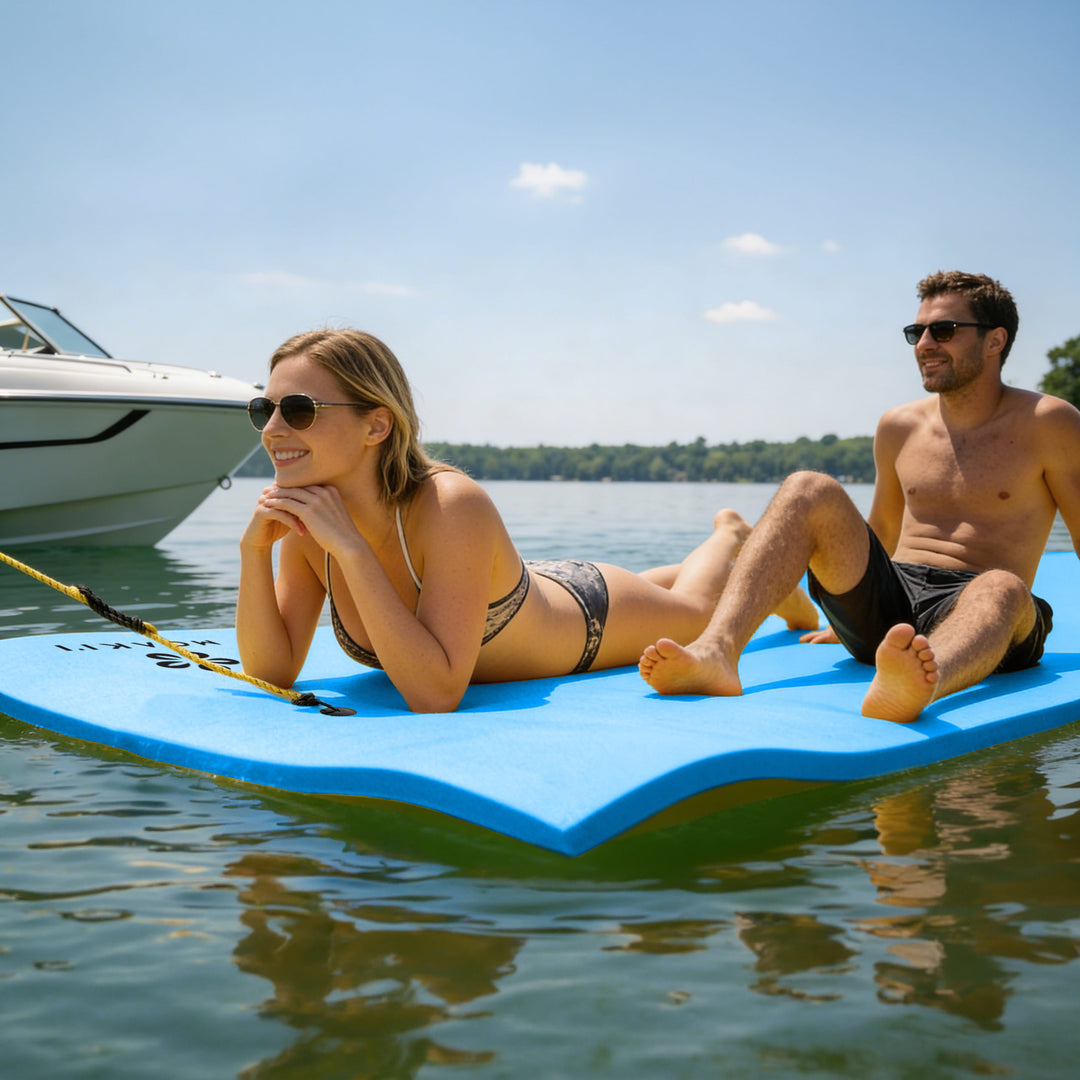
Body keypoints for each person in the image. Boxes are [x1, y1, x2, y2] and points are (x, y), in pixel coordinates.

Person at [237, 329, 819, 713]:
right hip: (514, 585)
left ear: (377, 425)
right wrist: (253, 554)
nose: (272, 429)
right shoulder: (313, 519)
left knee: (697, 611)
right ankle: (744, 563)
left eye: (298, 411)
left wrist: (355, 554)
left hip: (584, 619)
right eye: (265, 409)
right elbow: (273, 670)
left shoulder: (449, 504)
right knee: (671, 593)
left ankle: (733, 538)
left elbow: (436, 693)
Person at [640, 271, 1080, 723]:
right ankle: (716, 653)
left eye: (943, 331)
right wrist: (850, 613)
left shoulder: (1049, 423)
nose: (924, 344)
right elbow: (883, 532)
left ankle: (919, 682)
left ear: (995, 341)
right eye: (916, 332)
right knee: (808, 487)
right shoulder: (898, 426)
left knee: (1002, 584)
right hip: (892, 605)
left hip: (985, 615)